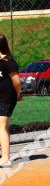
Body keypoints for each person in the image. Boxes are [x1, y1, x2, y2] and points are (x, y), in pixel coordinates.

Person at [0, 35, 22, 166]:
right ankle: (5, 153)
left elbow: (17, 82)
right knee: (3, 127)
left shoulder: (9, 62)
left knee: (1, 126)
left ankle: (6, 157)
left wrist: (19, 94)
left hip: (6, 98)